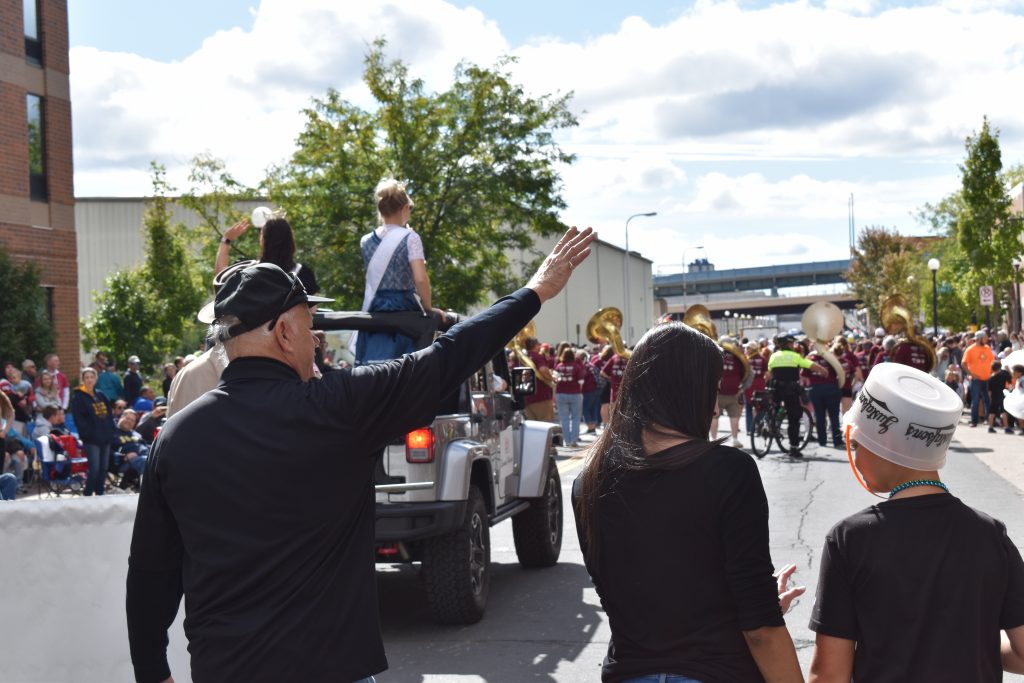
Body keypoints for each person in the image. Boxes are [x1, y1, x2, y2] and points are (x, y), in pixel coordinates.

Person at [126, 227, 595, 683]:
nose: (317, 341)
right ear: (284, 331)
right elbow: (449, 355)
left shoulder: (176, 437)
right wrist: (536, 290)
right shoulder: (338, 408)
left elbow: (150, 573)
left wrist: (152, 672)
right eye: (311, 326)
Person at [573, 322, 805, 683]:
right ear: (689, 391)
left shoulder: (589, 478)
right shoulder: (730, 470)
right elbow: (760, 630)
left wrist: (753, 599)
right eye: (711, 391)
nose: (714, 409)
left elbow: (635, 594)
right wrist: (758, 602)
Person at [808, 362, 1024, 681]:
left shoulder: (850, 539)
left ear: (885, 445)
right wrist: (969, 650)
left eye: (856, 444)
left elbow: (829, 675)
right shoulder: (991, 534)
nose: (852, 454)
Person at [354, 178, 437, 364]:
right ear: (403, 208)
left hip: (375, 308)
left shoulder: (365, 241)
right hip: (403, 307)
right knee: (405, 365)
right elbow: (421, 279)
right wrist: (428, 309)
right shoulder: (411, 238)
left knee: (374, 364)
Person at [215, 213, 320, 296]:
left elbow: (221, 277)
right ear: (290, 240)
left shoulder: (247, 272)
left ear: (263, 240)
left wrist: (226, 240)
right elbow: (312, 309)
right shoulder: (303, 273)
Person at [767, 335, 828, 457]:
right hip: (790, 390)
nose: (793, 345)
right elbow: (810, 365)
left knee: (774, 407)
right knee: (794, 418)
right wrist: (823, 371)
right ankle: (794, 447)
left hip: (776, 389)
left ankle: (770, 424)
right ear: (787, 344)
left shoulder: (773, 356)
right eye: (791, 343)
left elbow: (769, 373)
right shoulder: (795, 356)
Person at [70, 366, 114, 496]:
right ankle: (88, 495)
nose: (89, 380)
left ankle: (100, 494)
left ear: (96, 379)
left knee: (103, 468)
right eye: (86, 377)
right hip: (91, 439)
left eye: (92, 377)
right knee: (94, 469)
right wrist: (87, 434)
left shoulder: (101, 395)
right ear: (82, 379)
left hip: (105, 437)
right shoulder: (78, 397)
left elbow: (110, 416)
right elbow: (79, 419)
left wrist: (111, 431)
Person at [803, 346, 843, 449]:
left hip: (815, 389)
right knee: (834, 416)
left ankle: (822, 440)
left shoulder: (811, 359)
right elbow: (840, 371)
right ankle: (837, 441)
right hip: (831, 388)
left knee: (819, 415)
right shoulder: (830, 357)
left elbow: (803, 374)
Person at [963, 330, 995, 428]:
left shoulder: (987, 348)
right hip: (976, 380)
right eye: (985, 338)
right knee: (975, 401)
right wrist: (971, 374)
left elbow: (992, 361)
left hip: (987, 379)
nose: (986, 340)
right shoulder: (970, 349)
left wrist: (992, 373)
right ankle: (974, 421)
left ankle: (989, 421)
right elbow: (963, 363)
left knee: (988, 401)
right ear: (979, 338)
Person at [553, 347, 585, 447]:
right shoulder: (576, 367)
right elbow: (581, 383)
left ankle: (567, 441)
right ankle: (574, 440)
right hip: (575, 394)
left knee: (564, 419)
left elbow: (555, 381)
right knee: (576, 418)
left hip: (561, 394)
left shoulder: (559, 366)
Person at [522, 337, 555, 422]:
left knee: (534, 427)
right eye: (539, 344)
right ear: (536, 345)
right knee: (546, 424)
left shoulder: (523, 358)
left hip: (528, 397)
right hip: (541, 396)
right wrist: (551, 378)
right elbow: (543, 370)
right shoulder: (537, 357)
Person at [577, 349, 601, 436]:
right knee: (594, 408)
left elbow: (582, 379)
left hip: (588, 390)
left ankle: (590, 427)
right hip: (597, 389)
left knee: (585, 408)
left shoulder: (583, 366)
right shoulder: (591, 364)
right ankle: (593, 427)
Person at [987, 360, 1013, 434]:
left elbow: (989, 391)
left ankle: (990, 427)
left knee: (992, 412)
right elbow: (1010, 379)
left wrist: (990, 398)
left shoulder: (991, 378)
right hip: (1002, 396)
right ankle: (1006, 427)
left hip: (994, 397)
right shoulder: (1003, 376)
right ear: (999, 368)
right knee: (1003, 412)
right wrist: (1008, 370)